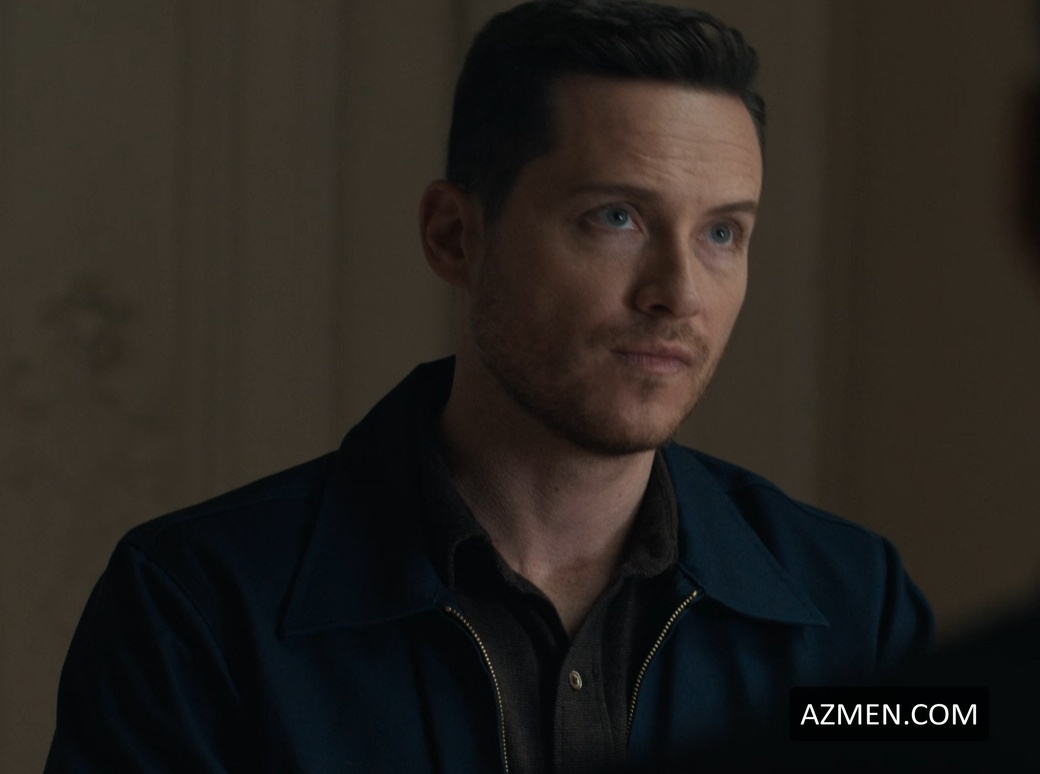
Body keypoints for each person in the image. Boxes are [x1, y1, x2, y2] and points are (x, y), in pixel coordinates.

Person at [45, 1, 933, 772]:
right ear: (454, 235)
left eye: (722, 234)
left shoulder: (857, 609)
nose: (679, 293)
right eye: (616, 217)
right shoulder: (194, 612)